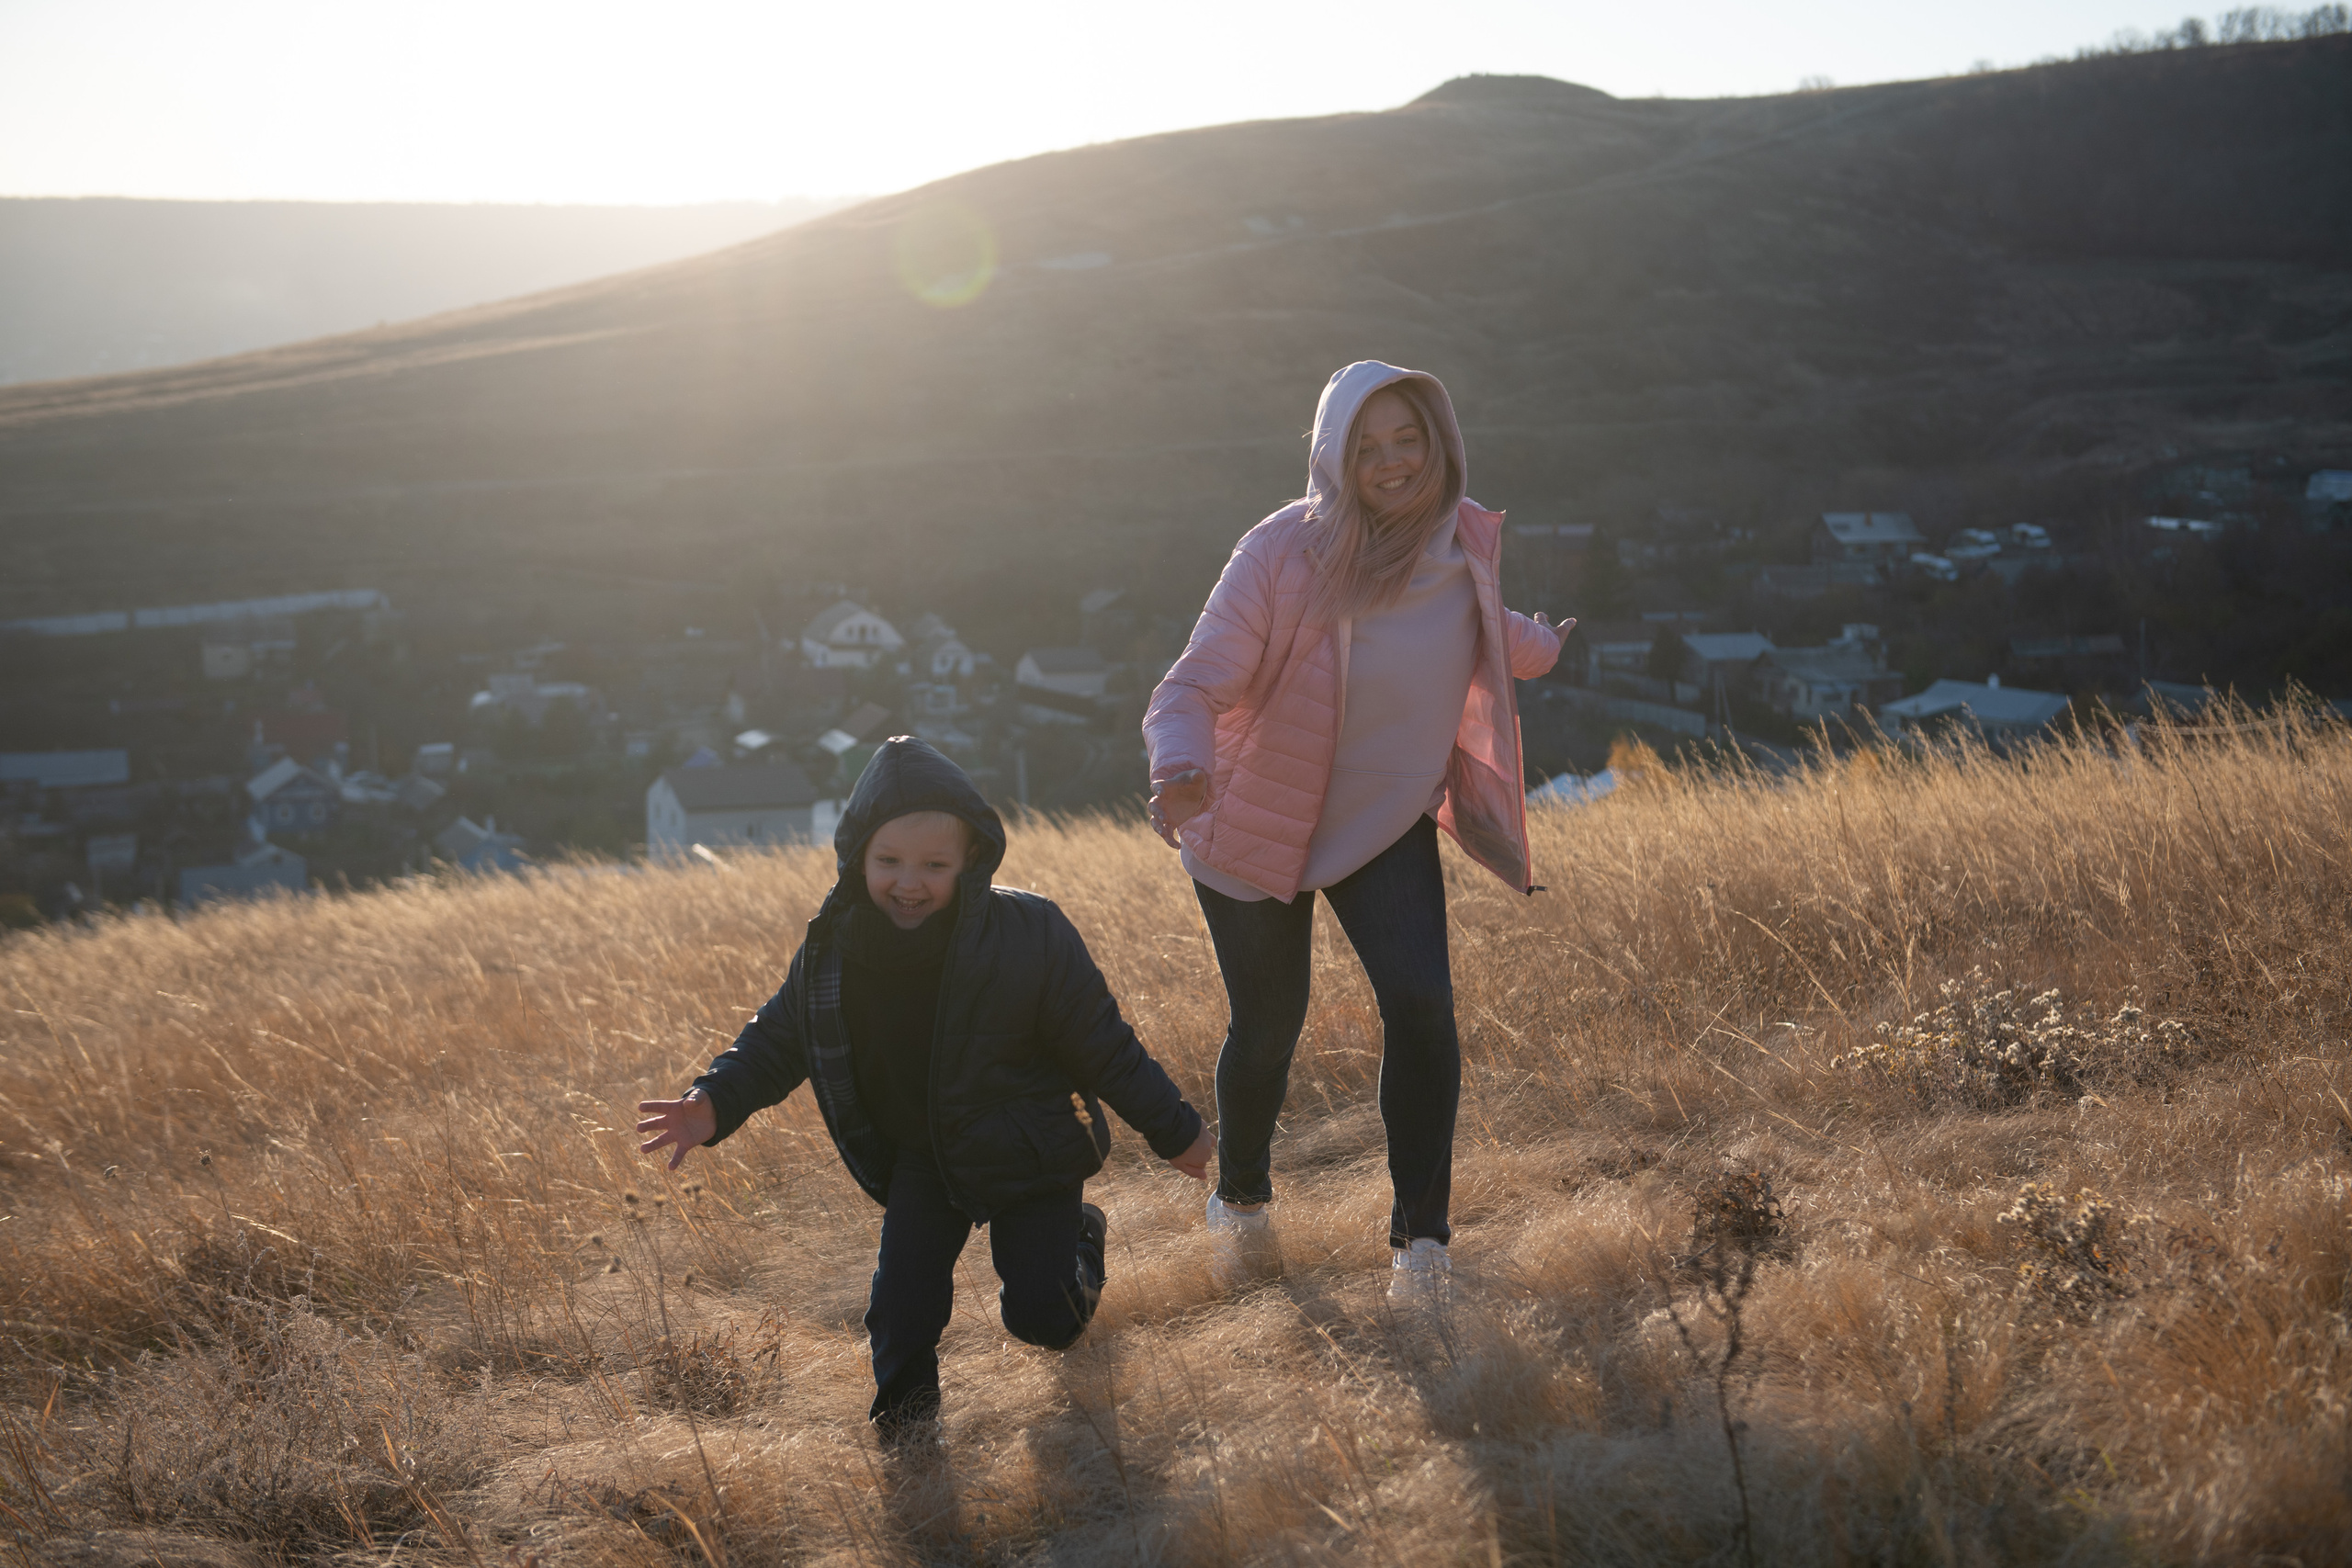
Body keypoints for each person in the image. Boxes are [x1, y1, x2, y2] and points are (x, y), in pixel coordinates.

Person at [638, 737, 1213, 1439]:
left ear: (970, 859)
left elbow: (1105, 1045)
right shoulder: (835, 947)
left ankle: (1080, 1242)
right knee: (900, 1306)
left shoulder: (1031, 933)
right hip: (924, 1154)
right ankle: (907, 1434)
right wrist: (712, 1101)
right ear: (857, 856)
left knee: (1044, 1319)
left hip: (1029, 1144)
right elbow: (778, 1038)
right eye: (890, 862)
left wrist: (1174, 1128)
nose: (910, 882)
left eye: (934, 866)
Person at [1142, 360, 1567, 1300]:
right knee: (1267, 1029)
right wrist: (1180, 769)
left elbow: (1484, 629)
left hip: (1382, 822)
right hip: (1254, 816)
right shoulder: (1282, 551)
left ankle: (1421, 1248)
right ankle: (1243, 1201)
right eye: (1364, 447)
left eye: (1405, 440)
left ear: (1437, 442)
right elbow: (1192, 684)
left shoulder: (1460, 546)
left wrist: (1542, 644)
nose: (1389, 463)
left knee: (1422, 1010)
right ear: (1332, 458)